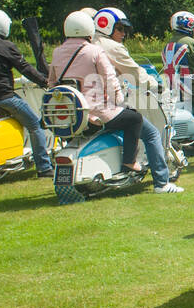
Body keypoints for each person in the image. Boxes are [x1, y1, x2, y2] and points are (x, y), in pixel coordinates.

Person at [49, 11, 183, 193]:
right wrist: (120, 102)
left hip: (73, 113)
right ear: (89, 28)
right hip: (99, 111)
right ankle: (157, 180)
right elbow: (111, 80)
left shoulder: (57, 52)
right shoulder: (95, 51)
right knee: (144, 127)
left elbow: (52, 84)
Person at [93, 6, 184, 175]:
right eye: (120, 29)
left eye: (125, 30)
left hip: (86, 104)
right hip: (109, 103)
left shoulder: (88, 43)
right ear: (106, 26)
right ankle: (157, 177)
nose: (123, 34)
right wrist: (154, 84)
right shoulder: (112, 47)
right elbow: (134, 72)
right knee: (149, 132)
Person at [0, 8, 53, 178]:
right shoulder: (5, 46)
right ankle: (44, 167)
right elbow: (26, 68)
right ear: (3, 25)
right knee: (35, 125)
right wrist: (45, 82)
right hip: (4, 98)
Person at [161, 10, 194, 123]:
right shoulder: (192, 43)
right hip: (193, 91)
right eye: (192, 26)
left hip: (173, 89)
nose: (193, 29)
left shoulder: (167, 45)